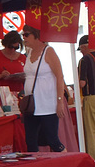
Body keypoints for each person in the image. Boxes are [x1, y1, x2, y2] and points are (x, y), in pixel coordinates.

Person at [21, 25, 66, 153]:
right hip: (32, 104)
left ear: (36, 35)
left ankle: (67, 165)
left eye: (26, 35)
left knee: (52, 140)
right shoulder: (29, 53)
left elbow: (60, 76)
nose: (24, 38)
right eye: (22, 35)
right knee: (30, 140)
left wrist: (59, 101)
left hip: (47, 104)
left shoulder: (48, 51)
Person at [77, 35, 95, 167]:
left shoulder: (84, 60)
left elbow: (82, 83)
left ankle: (93, 165)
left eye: (81, 49)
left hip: (91, 98)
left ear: (85, 46)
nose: (81, 52)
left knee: (90, 133)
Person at [0, 30, 26, 104]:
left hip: (18, 97)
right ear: (5, 44)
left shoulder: (22, 58)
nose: (13, 50)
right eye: (10, 47)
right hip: (0, 97)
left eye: (16, 48)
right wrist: (0, 76)